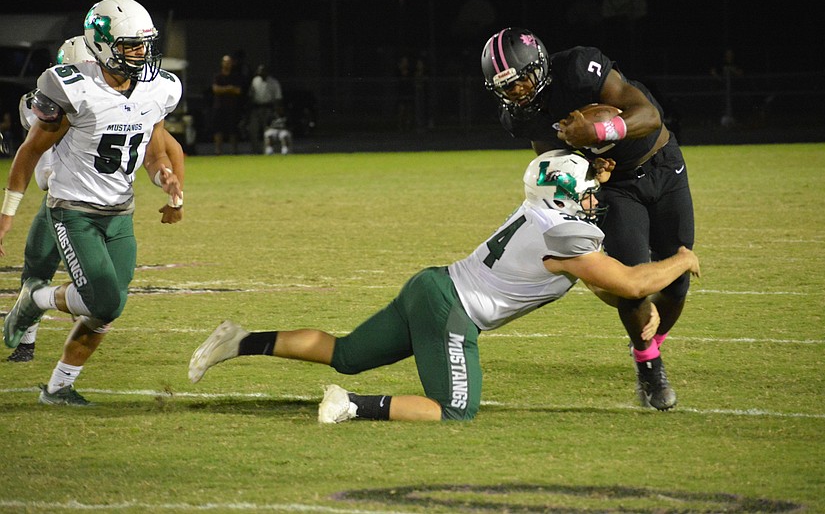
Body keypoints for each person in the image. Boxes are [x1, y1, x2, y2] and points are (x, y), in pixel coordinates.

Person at [189, 150, 700, 422]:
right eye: (587, 191)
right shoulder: (565, 232)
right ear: (565, 197)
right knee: (455, 410)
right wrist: (681, 258)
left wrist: (628, 297)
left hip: (432, 285)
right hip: (452, 311)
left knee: (345, 350)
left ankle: (241, 340)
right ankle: (351, 404)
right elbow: (632, 281)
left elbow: (603, 284)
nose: (594, 198)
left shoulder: (539, 214)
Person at [480, 27, 695, 410]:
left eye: (520, 80)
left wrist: (596, 129)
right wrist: (589, 168)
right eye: (506, 87)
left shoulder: (579, 69)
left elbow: (648, 114)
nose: (516, 92)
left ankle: (648, 341)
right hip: (615, 186)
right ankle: (649, 365)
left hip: (662, 164)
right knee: (631, 284)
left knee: (676, 283)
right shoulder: (520, 117)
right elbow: (555, 159)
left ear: (540, 65)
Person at [0, 0, 184, 406]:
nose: (143, 54)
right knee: (104, 299)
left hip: (121, 212)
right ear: (102, 45)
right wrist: (7, 213)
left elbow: (154, 153)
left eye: (145, 44)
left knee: (107, 310)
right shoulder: (71, 86)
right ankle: (35, 298)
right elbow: (29, 152)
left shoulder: (159, 87)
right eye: (132, 45)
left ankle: (59, 387)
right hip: (74, 210)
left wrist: (164, 177)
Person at [210, 54, 244, 155]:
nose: (227, 64)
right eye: (225, 62)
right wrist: (229, 89)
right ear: (222, 63)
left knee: (233, 130)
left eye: (229, 62)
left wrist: (224, 89)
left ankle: (234, 151)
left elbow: (238, 90)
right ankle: (218, 150)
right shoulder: (217, 76)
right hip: (219, 107)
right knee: (218, 129)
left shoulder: (236, 76)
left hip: (232, 107)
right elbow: (215, 89)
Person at [247, 64, 282, 154]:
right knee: (253, 130)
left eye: (262, 71)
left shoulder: (273, 82)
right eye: (259, 71)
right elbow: (251, 95)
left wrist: (276, 110)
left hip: (268, 108)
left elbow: (278, 97)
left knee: (268, 131)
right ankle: (255, 151)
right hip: (257, 108)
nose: (260, 72)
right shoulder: (255, 80)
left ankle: (268, 150)